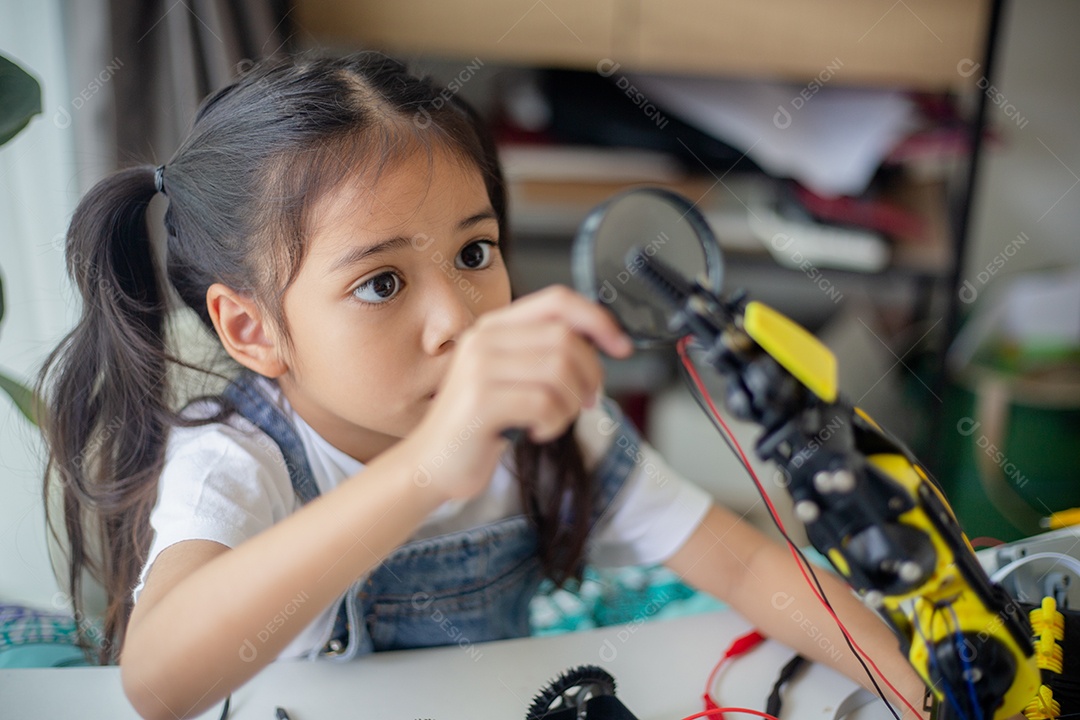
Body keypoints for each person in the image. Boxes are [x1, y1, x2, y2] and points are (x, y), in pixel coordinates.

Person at [38, 52, 929, 720]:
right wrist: (430, 465)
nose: (460, 320)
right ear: (251, 329)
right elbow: (158, 683)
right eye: (380, 283)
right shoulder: (231, 459)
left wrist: (916, 690)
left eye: (475, 252)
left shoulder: (549, 416)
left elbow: (739, 561)